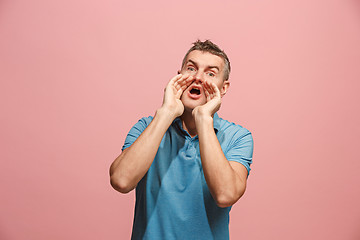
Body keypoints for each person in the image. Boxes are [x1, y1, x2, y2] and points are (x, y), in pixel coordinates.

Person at [109, 40, 254, 240]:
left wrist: (204, 119)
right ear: (178, 76)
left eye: (210, 73)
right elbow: (121, 181)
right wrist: (167, 113)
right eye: (191, 68)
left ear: (224, 87)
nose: (197, 78)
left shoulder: (238, 137)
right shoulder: (147, 127)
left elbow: (226, 195)